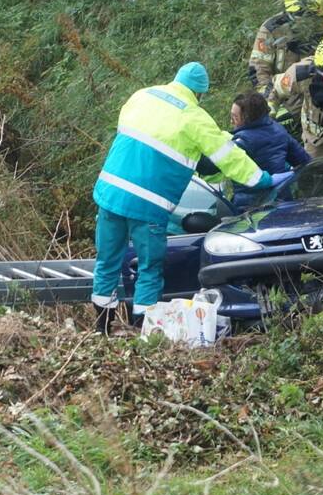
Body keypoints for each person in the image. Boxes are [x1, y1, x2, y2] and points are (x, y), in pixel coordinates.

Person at [90, 62, 291, 333]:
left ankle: (100, 331)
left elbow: (152, 144)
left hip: (110, 194)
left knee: (106, 263)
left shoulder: (142, 96)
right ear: (200, 94)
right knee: (149, 270)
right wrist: (263, 179)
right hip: (148, 205)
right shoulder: (195, 118)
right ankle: (143, 336)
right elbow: (229, 159)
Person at [248, 0, 323, 112]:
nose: (302, 22)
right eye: (298, 16)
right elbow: (258, 71)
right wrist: (270, 103)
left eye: (309, 16)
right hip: (282, 99)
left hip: (318, 101)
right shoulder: (272, 29)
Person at [226, 92, 310, 209]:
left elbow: (211, 166)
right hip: (282, 200)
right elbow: (304, 160)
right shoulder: (278, 129)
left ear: (247, 118)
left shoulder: (242, 141)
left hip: (250, 206)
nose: (231, 122)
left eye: (235, 117)